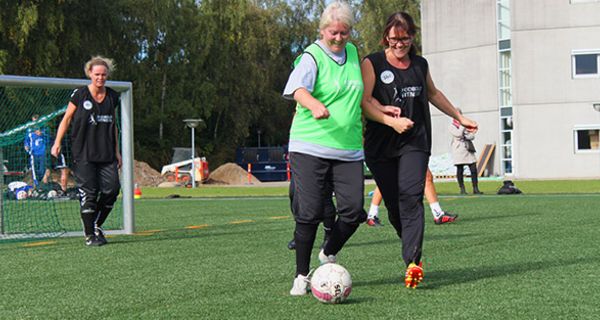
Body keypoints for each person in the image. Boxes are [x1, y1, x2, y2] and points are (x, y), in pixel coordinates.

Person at [360, 12, 478, 289]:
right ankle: (411, 250)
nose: (400, 45)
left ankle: (413, 261)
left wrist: (459, 117)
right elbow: (364, 100)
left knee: (410, 198)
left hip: (415, 141)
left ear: (413, 37)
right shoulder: (372, 62)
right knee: (394, 207)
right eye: (395, 40)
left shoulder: (420, 64)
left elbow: (433, 94)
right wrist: (391, 121)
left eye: (406, 39)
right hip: (380, 144)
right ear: (386, 38)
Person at [282, 1, 366, 296]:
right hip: (310, 146)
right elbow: (296, 90)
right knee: (310, 212)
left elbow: (363, 94)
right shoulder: (311, 56)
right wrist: (314, 104)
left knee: (354, 211)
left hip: (349, 148)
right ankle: (301, 276)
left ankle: (328, 252)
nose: (339, 38)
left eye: (344, 33)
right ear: (322, 30)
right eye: (333, 33)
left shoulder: (355, 54)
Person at [51, 56, 122, 247]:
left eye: (104, 75)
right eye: (97, 74)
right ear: (90, 74)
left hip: (106, 153)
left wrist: (117, 152)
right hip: (83, 154)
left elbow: (114, 125)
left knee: (112, 189)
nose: (100, 78)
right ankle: (90, 235)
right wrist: (57, 142)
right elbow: (66, 119)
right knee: (89, 194)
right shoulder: (80, 95)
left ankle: (96, 224)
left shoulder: (113, 97)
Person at [367, 169, 458, 226]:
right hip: (400, 148)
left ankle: (438, 213)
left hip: (407, 147)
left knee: (427, 177)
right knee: (386, 178)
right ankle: (372, 215)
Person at [286, 175, 335, 250]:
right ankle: (299, 235)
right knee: (294, 195)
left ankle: (329, 237)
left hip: (323, 166)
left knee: (325, 198)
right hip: (300, 166)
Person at [450, 111, 483, 194]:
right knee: (460, 169)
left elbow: (471, 136)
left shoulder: (464, 125)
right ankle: (462, 189)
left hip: (468, 149)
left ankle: (475, 188)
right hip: (458, 149)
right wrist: (464, 127)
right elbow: (458, 134)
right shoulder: (452, 126)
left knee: (473, 169)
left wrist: (468, 132)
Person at [24, 114, 48, 187]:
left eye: (37, 120)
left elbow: (48, 139)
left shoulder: (44, 129)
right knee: (34, 170)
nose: (35, 122)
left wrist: (42, 134)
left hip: (42, 152)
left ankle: (41, 184)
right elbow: (26, 140)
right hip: (33, 153)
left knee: (42, 170)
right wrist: (26, 146)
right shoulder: (29, 130)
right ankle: (37, 185)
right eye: (34, 120)